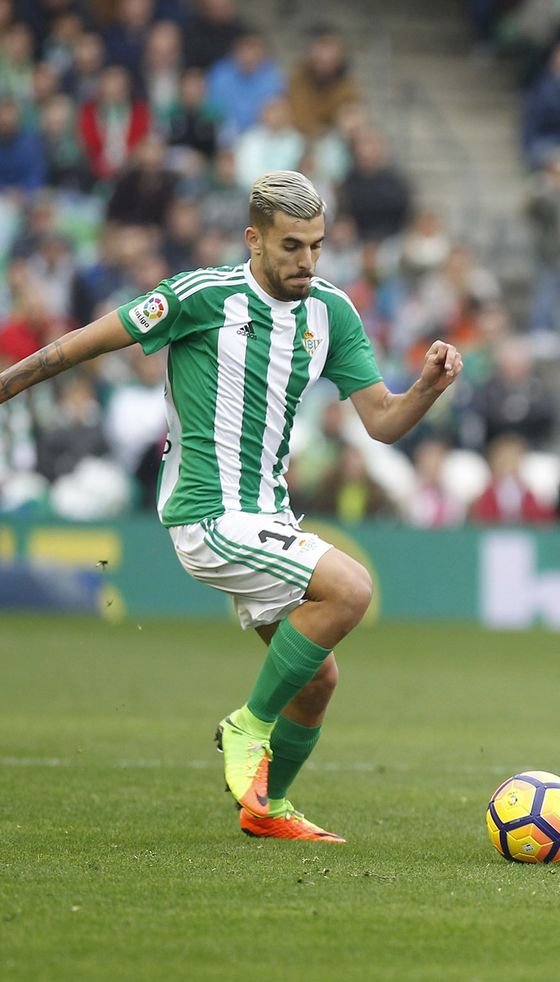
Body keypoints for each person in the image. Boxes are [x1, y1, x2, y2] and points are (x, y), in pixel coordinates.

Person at [0, 171, 462, 844]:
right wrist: (7, 384)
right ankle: (249, 726)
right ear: (254, 239)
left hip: (266, 516)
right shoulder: (199, 296)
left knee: (316, 680)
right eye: (291, 246)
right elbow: (81, 344)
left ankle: (267, 809)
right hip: (208, 514)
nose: (306, 261)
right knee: (352, 589)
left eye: (317, 246)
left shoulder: (331, 313)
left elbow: (384, 421)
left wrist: (426, 388)